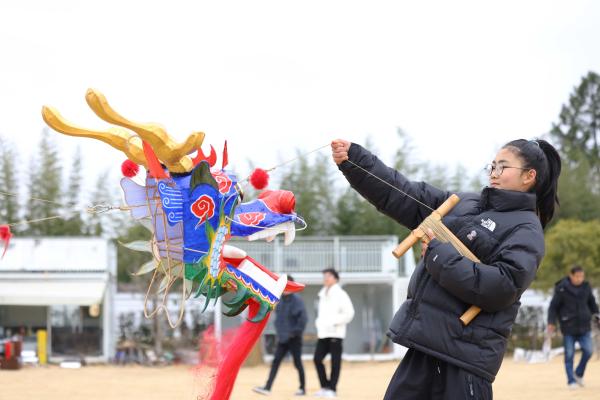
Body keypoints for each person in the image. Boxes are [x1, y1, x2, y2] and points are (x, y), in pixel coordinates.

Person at [331, 138, 561, 399]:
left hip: (465, 362)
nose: (494, 173)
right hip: (424, 348)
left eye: (503, 167)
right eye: (492, 166)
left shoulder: (527, 230)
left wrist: (439, 255)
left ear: (529, 176)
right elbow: (403, 193)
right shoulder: (463, 202)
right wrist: (355, 160)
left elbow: (503, 286)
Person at [253, 276, 308, 396]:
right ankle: (267, 387)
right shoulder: (280, 300)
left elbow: (303, 319)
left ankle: (302, 388)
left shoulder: (297, 300)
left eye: (288, 285)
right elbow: (278, 319)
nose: (285, 288)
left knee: (297, 363)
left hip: (294, 338)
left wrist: (294, 333)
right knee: (276, 362)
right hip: (282, 338)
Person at [547, 265, 599, 388]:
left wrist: (597, 316)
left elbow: (592, 303)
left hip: (584, 326)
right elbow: (553, 307)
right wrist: (551, 322)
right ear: (571, 275)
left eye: (582, 276)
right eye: (577, 276)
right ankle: (571, 381)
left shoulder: (586, 287)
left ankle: (578, 373)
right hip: (568, 326)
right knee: (569, 355)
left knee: (588, 351)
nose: (580, 279)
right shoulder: (561, 288)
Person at [313, 268, 355, 398]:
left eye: (329, 276)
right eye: (324, 276)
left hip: (336, 333)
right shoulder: (322, 294)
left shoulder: (341, 294)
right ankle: (325, 386)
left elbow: (349, 313)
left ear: (335, 278)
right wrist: (320, 324)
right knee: (317, 359)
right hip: (323, 333)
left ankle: (332, 389)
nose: (326, 278)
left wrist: (334, 322)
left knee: (335, 362)